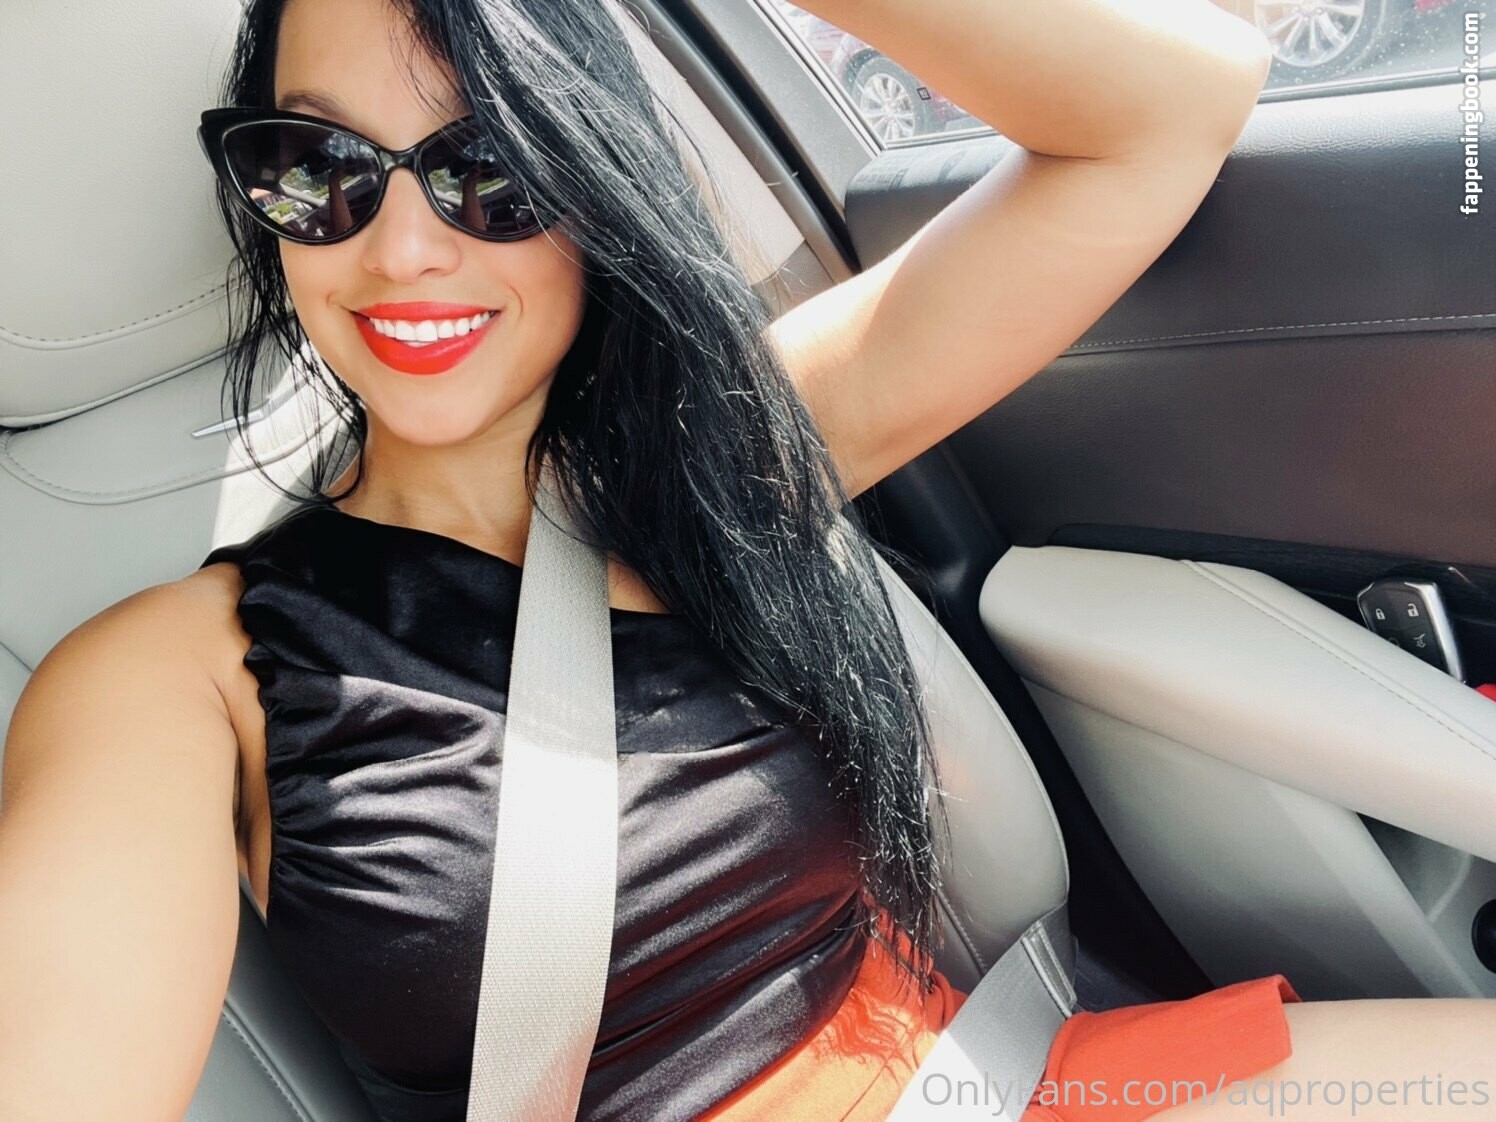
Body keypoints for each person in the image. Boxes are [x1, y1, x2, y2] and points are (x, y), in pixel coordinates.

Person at [2, 0, 1492, 1119]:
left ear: (596, 174)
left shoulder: (726, 456)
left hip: (1008, 1085)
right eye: (316, 166)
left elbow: (1172, 107)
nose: (400, 250)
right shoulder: (178, 674)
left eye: (492, 168)